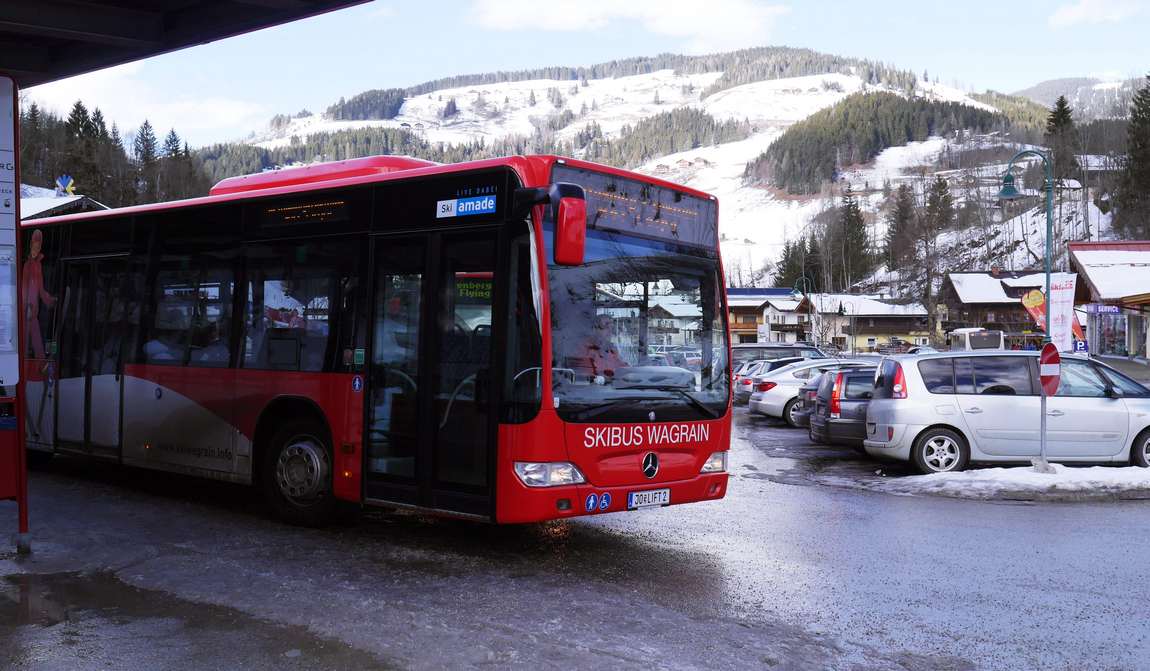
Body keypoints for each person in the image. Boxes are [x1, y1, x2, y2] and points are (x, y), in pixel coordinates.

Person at [22, 229, 56, 360]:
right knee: (29, 342)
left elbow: (41, 289)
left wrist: (50, 300)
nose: (35, 250)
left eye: (38, 247)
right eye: (34, 247)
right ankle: (39, 365)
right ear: (30, 245)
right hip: (27, 311)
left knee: (34, 342)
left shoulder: (38, 266)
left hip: (33, 311)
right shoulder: (27, 265)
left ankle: (40, 365)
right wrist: (26, 306)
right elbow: (24, 288)